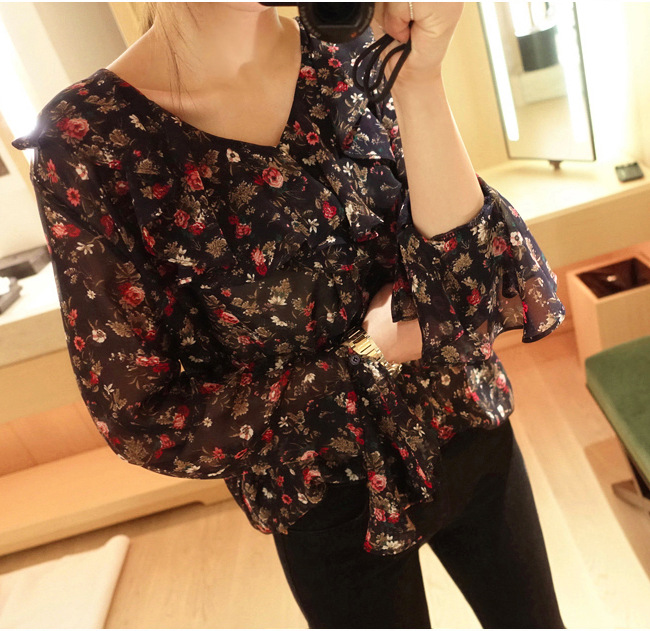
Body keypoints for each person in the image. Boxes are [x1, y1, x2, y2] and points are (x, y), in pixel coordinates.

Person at [12, 2, 567, 628]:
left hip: (464, 419)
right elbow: (144, 415)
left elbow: (471, 280)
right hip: (320, 492)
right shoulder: (90, 141)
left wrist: (420, 79)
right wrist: (363, 356)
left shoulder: (350, 49)